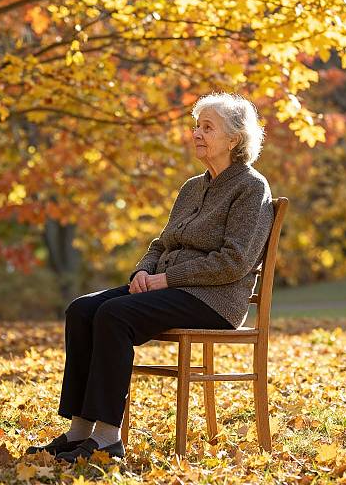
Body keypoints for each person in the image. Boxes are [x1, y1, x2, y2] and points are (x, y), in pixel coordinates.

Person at [26, 92, 275, 463]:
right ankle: (79, 433)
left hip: (213, 301)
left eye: (208, 127)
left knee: (115, 314)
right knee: (82, 310)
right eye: (196, 125)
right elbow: (161, 243)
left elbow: (233, 262)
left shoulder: (251, 188)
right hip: (167, 288)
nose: (197, 133)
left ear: (234, 139)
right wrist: (143, 270)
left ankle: (108, 439)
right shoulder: (192, 187)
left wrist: (167, 279)